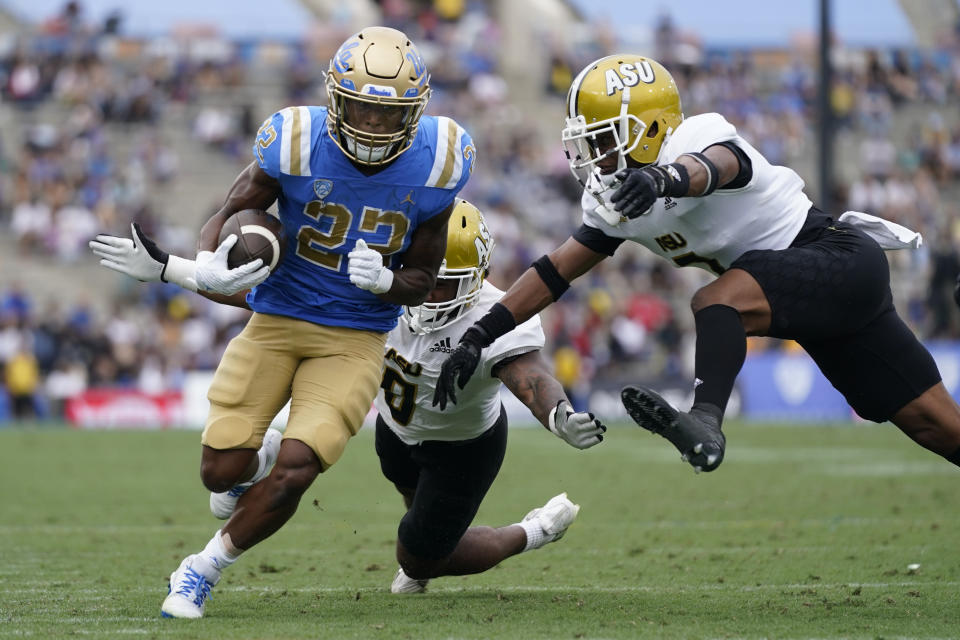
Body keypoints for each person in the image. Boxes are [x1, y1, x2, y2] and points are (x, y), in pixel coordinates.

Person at [90, 26, 476, 619]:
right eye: (362, 109)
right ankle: (257, 462)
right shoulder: (295, 140)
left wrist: (386, 283)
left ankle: (200, 569)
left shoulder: (440, 160)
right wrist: (209, 263)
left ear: (415, 112)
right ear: (336, 101)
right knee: (220, 472)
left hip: (354, 338)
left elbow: (422, 277)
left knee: (301, 466)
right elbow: (228, 215)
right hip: (275, 321)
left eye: (387, 113)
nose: (372, 124)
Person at [433, 53, 960, 477]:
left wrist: (664, 180)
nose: (594, 155)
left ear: (650, 125)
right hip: (806, 297)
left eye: (603, 138)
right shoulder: (613, 197)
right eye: (588, 142)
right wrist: (480, 334)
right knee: (937, 427)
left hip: (836, 258)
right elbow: (555, 272)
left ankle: (705, 421)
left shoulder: (693, 136)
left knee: (715, 300)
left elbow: (720, 166)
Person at [92, 199, 604, 595]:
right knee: (412, 517)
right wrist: (169, 269)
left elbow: (529, 376)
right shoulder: (376, 280)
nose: (428, 296)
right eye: (424, 279)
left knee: (420, 556)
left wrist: (558, 414)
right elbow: (257, 292)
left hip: (463, 449)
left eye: (443, 286)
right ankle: (261, 456)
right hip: (395, 434)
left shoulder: (492, 314)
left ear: (477, 279)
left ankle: (533, 531)